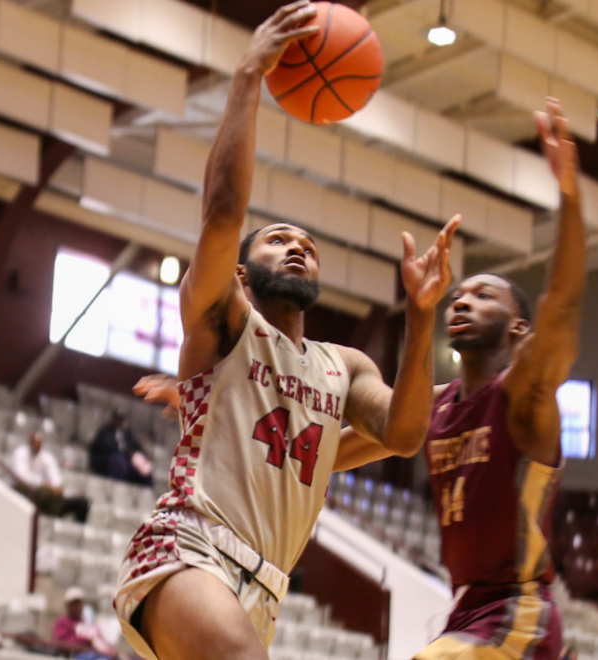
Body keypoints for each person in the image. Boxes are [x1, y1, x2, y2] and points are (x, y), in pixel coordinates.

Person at [114, 2, 459, 658]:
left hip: (264, 586)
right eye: (277, 240)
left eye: (307, 244)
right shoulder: (224, 324)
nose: (297, 247)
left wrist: (420, 316)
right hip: (191, 546)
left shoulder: (344, 367)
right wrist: (249, 75)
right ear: (241, 274)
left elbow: (406, 433)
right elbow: (222, 212)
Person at [338, 100, 584, 660]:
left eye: (484, 295)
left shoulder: (522, 398)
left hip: (518, 608)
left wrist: (569, 196)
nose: (463, 301)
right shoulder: (436, 408)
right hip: (468, 610)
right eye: (460, 293)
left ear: (519, 327)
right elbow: (329, 453)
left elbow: (564, 306)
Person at [11, 431, 91, 523]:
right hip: (23, 492)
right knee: (43, 492)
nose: (36, 446)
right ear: (30, 442)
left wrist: (55, 487)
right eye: (34, 442)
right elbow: (21, 475)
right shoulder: (20, 452)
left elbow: (56, 479)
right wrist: (43, 484)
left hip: (44, 496)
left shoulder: (46, 457)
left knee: (81, 503)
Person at [89, 410, 153, 486]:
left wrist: (143, 454)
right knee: (119, 461)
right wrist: (125, 453)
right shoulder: (106, 431)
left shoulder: (126, 433)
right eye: (118, 418)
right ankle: (118, 485)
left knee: (144, 467)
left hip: (127, 459)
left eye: (121, 419)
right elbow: (105, 446)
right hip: (110, 459)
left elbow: (135, 445)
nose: (119, 421)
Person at [53, 587, 117, 660]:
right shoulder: (62, 621)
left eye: (78, 603)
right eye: (73, 603)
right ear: (67, 605)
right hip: (77, 655)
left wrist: (110, 650)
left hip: (92, 653)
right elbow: (60, 643)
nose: (76, 606)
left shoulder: (86, 621)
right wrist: (84, 639)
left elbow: (99, 640)